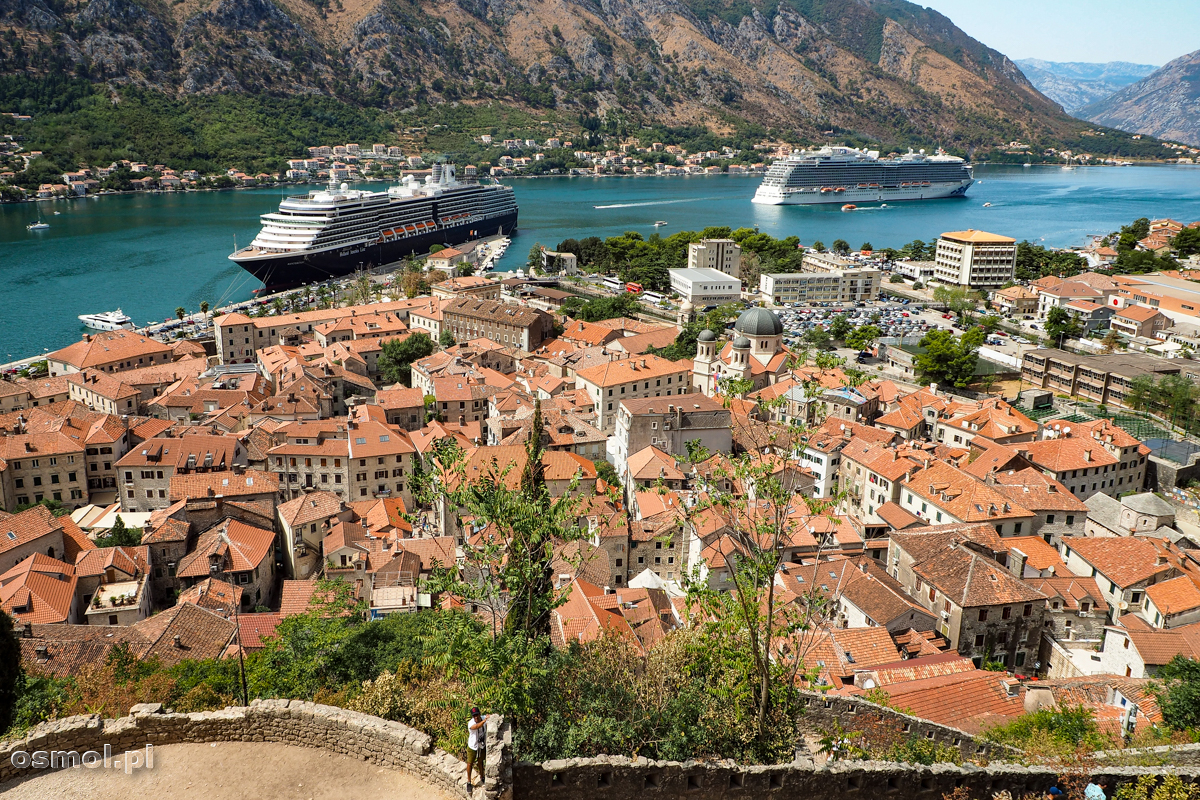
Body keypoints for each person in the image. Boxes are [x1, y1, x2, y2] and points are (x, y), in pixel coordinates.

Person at [466, 706, 487, 789]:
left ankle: (482, 777)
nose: (476, 717)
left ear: (479, 714)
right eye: (474, 715)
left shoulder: (483, 718)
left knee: (480, 761)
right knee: (470, 763)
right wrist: (485, 720)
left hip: (481, 745)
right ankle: (468, 782)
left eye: (477, 715)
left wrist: (489, 717)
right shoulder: (470, 723)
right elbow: (477, 726)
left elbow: (490, 717)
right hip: (472, 746)